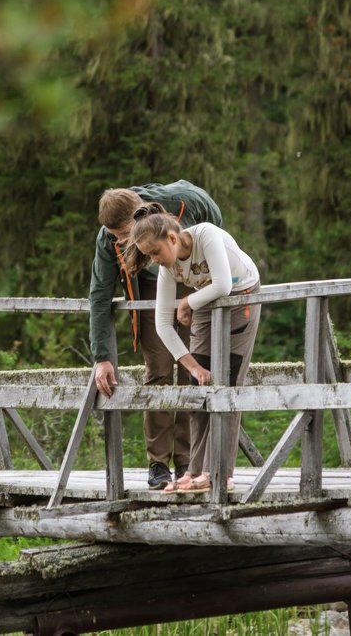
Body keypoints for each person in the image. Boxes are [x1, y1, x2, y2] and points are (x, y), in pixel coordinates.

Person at [89, 181, 223, 489]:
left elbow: (214, 224)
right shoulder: (108, 239)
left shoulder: (183, 201)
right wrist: (103, 357)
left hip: (190, 277)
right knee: (159, 369)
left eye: (124, 234)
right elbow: (99, 294)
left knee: (195, 367)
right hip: (148, 289)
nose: (121, 241)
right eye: (115, 237)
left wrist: (208, 269)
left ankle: (189, 461)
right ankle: (159, 463)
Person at [129, 204, 260, 493]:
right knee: (200, 388)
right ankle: (196, 470)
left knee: (225, 385)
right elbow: (164, 325)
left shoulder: (207, 235)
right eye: (148, 255)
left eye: (155, 252)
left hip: (241, 298)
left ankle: (220, 473)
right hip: (205, 302)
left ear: (172, 239)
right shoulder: (168, 269)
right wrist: (194, 367)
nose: (154, 260)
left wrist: (188, 302)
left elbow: (224, 284)